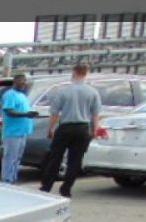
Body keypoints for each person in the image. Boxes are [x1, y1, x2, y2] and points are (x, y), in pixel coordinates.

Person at [40, 64, 103, 198]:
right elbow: (95, 114)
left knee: (55, 157)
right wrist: (95, 129)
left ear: (73, 73)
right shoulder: (93, 92)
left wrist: (51, 129)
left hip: (65, 126)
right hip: (82, 128)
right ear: (86, 74)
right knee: (75, 160)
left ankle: (46, 186)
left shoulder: (63, 91)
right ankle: (66, 188)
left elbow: (55, 113)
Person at [0, 74, 39, 184]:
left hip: (23, 132)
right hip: (13, 132)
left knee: (17, 157)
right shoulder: (10, 95)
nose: (23, 83)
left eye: (25, 81)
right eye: (21, 81)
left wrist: (30, 114)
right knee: (10, 157)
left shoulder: (22, 95)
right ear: (15, 81)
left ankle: (13, 178)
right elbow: (9, 111)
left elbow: (23, 110)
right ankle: (7, 180)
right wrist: (25, 114)